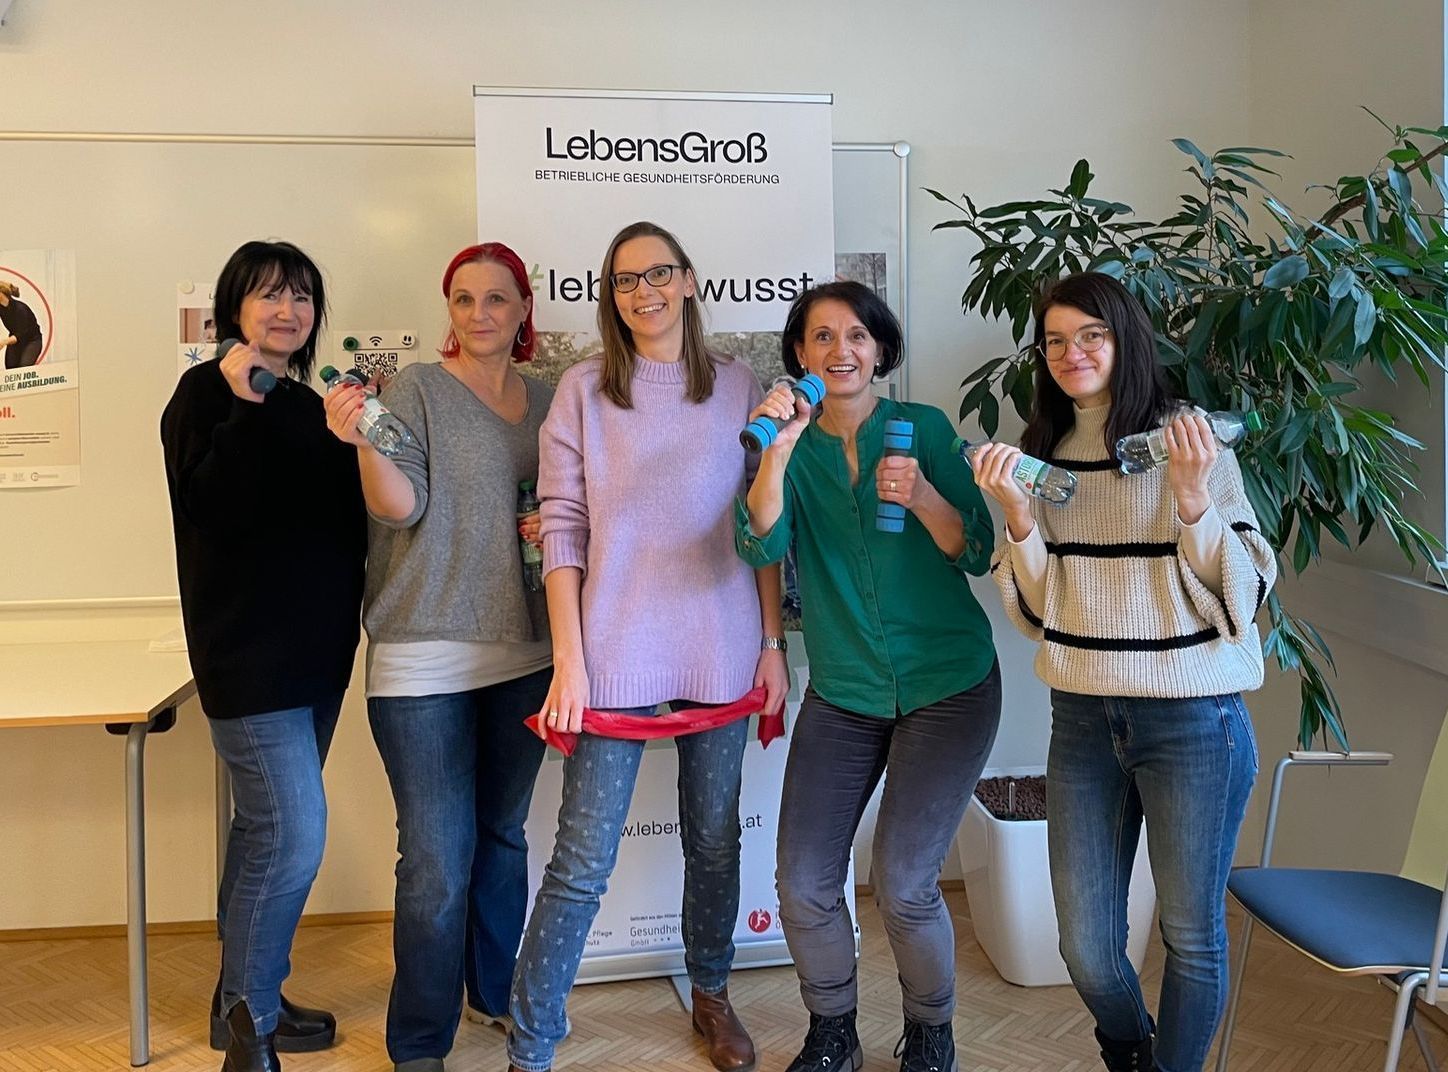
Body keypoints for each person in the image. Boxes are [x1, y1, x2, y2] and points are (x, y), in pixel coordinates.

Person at [968, 271, 1276, 1072]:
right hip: (1081, 719)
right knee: (1086, 946)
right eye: (1055, 341)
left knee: (1190, 935)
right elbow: (1041, 612)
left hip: (1194, 722)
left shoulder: (1189, 440)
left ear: (1124, 340)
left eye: (1091, 335)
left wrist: (1191, 497)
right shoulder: (1043, 457)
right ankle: (1132, 1051)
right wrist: (1019, 515)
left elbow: (1242, 595)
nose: (1071, 353)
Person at [505, 221, 789, 1072]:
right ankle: (532, 1043)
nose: (644, 292)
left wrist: (771, 642)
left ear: (689, 281)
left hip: (723, 641)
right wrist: (570, 661)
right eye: (625, 281)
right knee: (582, 857)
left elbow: (763, 526)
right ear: (611, 296)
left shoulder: (739, 387)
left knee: (715, 839)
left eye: (658, 274)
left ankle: (712, 993)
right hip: (612, 648)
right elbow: (562, 530)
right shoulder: (584, 391)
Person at [737, 280, 1001, 1072]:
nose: (840, 350)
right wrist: (778, 452)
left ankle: (931, 1034)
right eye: (821, 336)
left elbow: (976, 549)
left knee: (906, 880)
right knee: (802, 880)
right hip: (845, 691)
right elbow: (758, 543)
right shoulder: (792, 448)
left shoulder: (924, 428)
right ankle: (833, 1032)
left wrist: (922, 496)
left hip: (948, 685)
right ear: (800, 355)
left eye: (857, 335)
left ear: (880, 349)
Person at [322, 242, 554, 1072]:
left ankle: (492, 995)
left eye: (497, 298)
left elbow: (572, 502)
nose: (480, 313)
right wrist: (363, 444)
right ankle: (420, 1041)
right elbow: (400, 507)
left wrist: (559, 519)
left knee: (503, 835)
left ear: (523, 309)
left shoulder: (551, 399)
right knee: (434, 862)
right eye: (464, 298)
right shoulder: (415, 390)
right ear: (448, 309)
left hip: (527, 651)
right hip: (422, 657)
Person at [160, 240, 365, 1072]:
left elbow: (344, 526)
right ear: (234, 308)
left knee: (261, 832)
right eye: (269, 295)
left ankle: (241, 999)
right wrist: (244, 407)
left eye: (302, 296)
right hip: (248, 662)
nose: (288, 310)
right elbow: (211, 506)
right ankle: (249, 1031)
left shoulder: (309, 404)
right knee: (293, 837)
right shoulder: (205, 395)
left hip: (318, 660)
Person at [0, 280, 44, 368]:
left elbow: (22, 334)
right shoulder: (1, 308)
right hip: (15, 340)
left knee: (24, 366)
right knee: (11, 368)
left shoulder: (20, 309)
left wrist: (4, 342)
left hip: (32, 340)